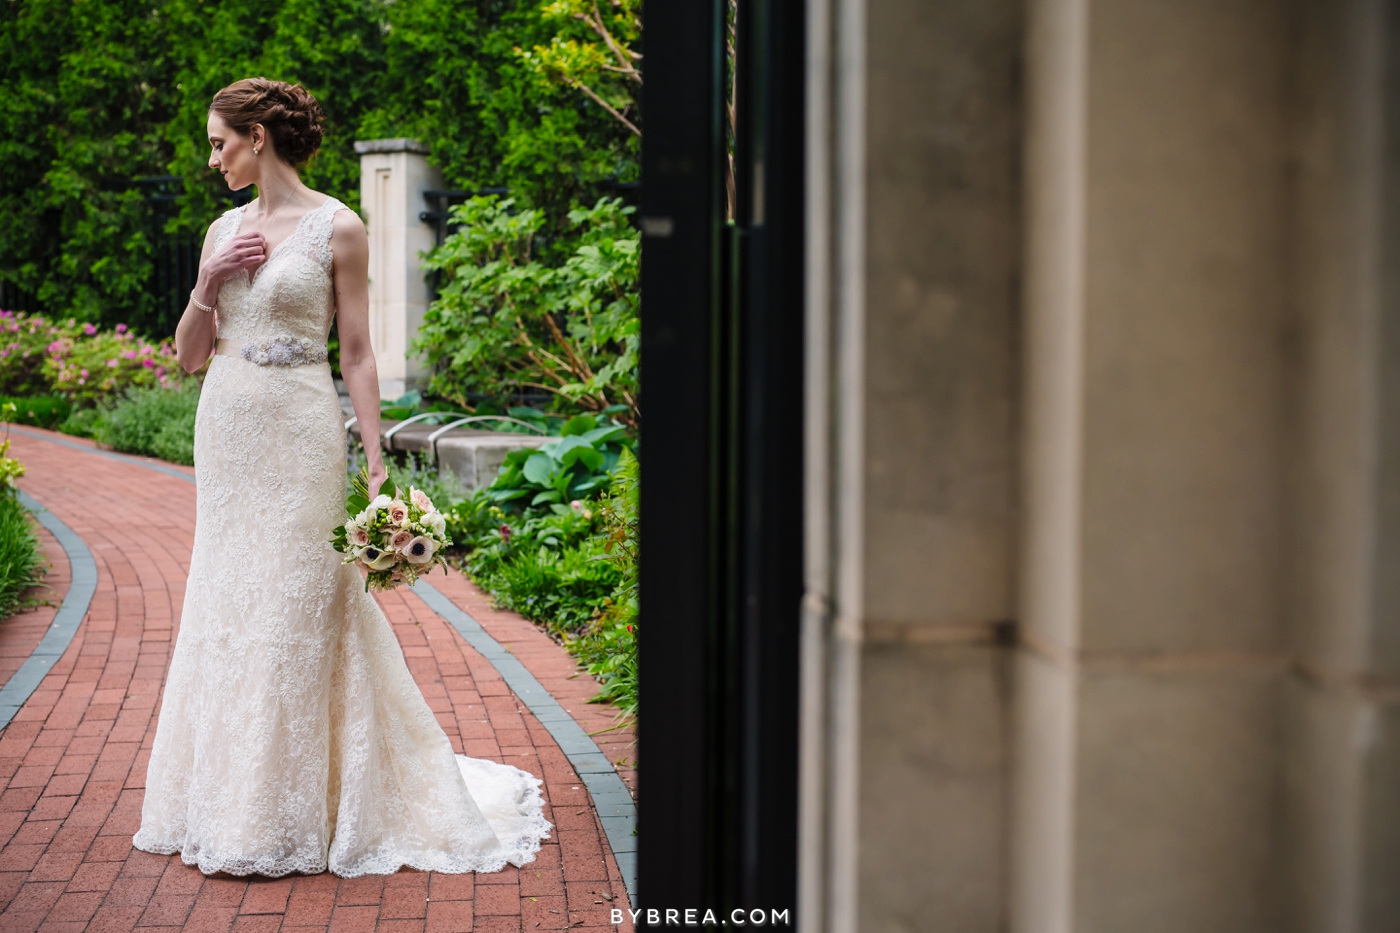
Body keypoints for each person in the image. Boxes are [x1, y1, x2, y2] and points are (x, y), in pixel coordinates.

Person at [132, 77, 550, 877]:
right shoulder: (221, 229)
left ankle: (309, 804)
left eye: (221, 141)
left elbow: (356, 352)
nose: (212, 157)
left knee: (302, 603)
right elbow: (188, 355)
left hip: (300, 432)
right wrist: (207, 280)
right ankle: (227, 802)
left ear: (259, 136)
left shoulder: (339, 227)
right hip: (227, 432)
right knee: (229, 602)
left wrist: (380, 459)